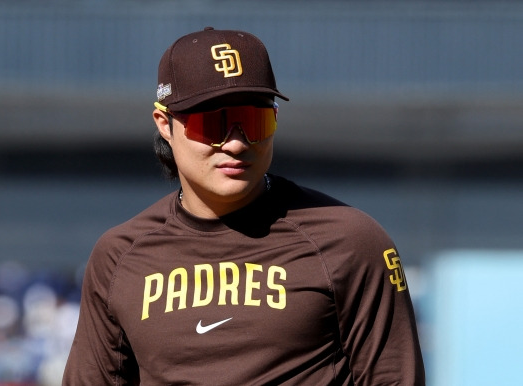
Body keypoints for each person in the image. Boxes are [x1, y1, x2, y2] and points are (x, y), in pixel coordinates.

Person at [63, 27, 425, 385]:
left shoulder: (350, 241)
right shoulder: (119, 256)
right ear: (165, 125)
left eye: (255, 121)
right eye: (213, 124)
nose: (237, 144)